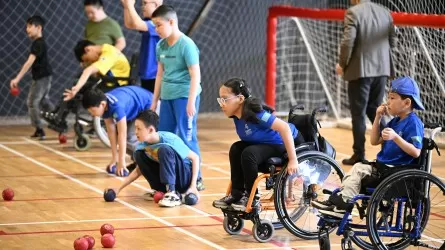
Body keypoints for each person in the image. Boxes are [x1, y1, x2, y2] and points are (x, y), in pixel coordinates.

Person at [312, 76, 425, 218]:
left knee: (358, 170)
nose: (387, 101)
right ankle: (338, 202)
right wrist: (377, 117)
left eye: (392, 98)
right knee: (356, 169)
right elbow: (374, 141)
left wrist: (396, 138)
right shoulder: (395, 121)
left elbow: (416, 152)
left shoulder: (414, 123)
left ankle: (343, 205)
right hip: (382, 169)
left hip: (395, 173)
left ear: (407, 102)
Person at [212, 78, 304, 211]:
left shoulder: (257, 114)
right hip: (266, 145)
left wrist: (293, 160)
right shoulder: (237, 117)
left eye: (225, 99)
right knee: (236, 149)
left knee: (249, 154)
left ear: (240, 99)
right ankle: (237, 194)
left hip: (284, 142)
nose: (221, 104)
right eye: (220, 99)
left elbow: (284, 128)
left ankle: (251, 198)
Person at [149, 5, 204, 190]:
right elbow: (159, 74)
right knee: (164, 137)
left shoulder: (186, 45)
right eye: (154, 26)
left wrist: (190, 102)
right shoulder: (160, 46)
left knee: (187, 137)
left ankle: (197, 179)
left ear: (171, 22)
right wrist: (155, 100)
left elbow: (195, 74)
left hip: (184, 97)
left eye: (158, 25)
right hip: (167, 98)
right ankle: (167, 182)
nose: (156, 29)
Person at [337, 0, 397, 165]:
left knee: (358, 114)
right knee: (375, 109)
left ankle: (359, 154)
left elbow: (348, 41)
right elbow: (393, 42)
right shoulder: (385, 12)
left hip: (360, 71)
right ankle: (392, 146)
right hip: (382, 69)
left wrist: (342, 64)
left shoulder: (353, 12)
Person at [106, 109, 200, 207]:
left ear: (150, 130)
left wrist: (193, 186)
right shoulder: (142, 146)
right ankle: (162, 191)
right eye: (135, 128)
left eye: (139, 129)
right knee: (139, 154)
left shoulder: (170, 139)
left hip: (184, 178)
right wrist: (118, 189)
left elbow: (195, 158)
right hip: (171, 178)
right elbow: (139, 170)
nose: (136, 132)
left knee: (164, 149)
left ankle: (172, 194)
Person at [82, 86, 153, 176]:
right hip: (136, 109)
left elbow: (122, 134)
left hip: (150, 105)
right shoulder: (104, 105)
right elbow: (112, 133)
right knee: (127, 139)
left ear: (102, 104)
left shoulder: (116, 107)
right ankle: (140, 161)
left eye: (92, 110)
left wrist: (121, 162)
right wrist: (114, 159)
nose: (91, 114)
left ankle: (147, 162)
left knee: (130, 137)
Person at [10, 15, 54, 140]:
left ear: (38, 27)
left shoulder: (38, 44)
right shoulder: (38, 43)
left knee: (32, 102)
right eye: (27, 26)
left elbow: (29, 62)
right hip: (43, 76)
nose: (27, 29)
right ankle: (59, 121)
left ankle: (40, 129)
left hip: (42, 77)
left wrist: (17, 78)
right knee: (43, 101)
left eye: (30, 26)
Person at [121, 0, 162, 93]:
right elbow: (129, 24)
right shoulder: (148, 21)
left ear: (155, 4)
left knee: (157, 105)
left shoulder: (160, 22)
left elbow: (137, 23)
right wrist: (126, 7)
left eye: (145, 3)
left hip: (157, 75)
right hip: (148, 73)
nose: (142, 6)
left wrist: (130, 5)